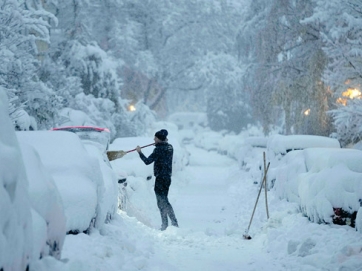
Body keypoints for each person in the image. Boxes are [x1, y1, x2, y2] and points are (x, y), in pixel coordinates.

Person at [136, 129, 179, 231]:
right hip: (167, 178)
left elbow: (147, 161)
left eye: (155, 138)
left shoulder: (159, 149)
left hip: (160, 179)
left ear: (159, 139)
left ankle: (167, 224)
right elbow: (163, 149)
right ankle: (172, 223)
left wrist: (139, 152)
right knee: (164, 200)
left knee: (161, 202)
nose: (153, 139)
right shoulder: (169, 147)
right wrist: (157, 144)